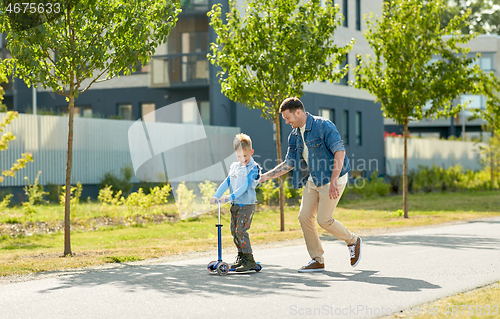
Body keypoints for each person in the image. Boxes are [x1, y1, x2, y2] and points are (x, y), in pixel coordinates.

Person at [260, 97, 361, 272]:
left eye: (287, 117)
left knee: (324, 219)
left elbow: (339, 151)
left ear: (297, 112)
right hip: (314, 178)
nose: (286, 122)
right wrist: (264, 177)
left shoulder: (324, 125)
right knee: (304, 217)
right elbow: (289, 163)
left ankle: (352, 240)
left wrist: (335, 180)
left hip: (333, 178)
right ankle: (317, 259)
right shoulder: (295, 135)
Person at [210, 133, 262, 272]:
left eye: (245, 156)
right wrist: (217, 195)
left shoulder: (253, 168)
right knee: (234, 231)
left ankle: (249, 260)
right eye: (239, 156)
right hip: (235, 204)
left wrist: (229, 197)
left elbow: (245, 186)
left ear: (251, 152)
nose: (242, 159)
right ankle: (242, 257)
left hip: (247, 204)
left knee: (241, 231)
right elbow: (227, 182)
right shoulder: (234, 166)